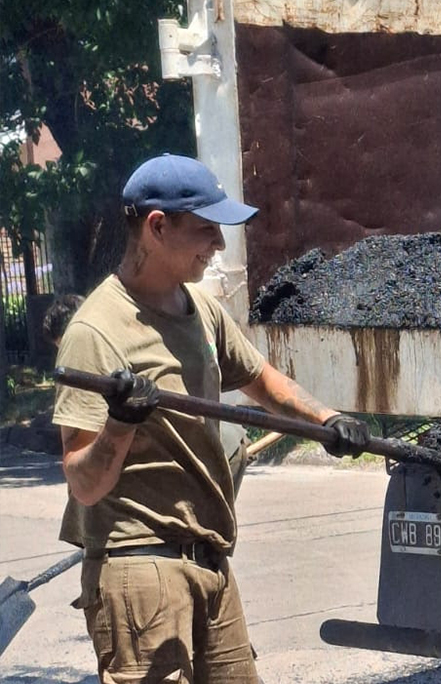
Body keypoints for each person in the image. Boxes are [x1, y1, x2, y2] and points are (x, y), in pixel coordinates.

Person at [52, 153, 371, 684]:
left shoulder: (199, 307)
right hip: (141, 569)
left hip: (211, 559)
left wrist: (327, 420)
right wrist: (119, 423)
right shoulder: (96, 332)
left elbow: (262, 379)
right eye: (205, 230)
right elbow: (83, 483)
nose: (219, 246)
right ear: (157, 226)